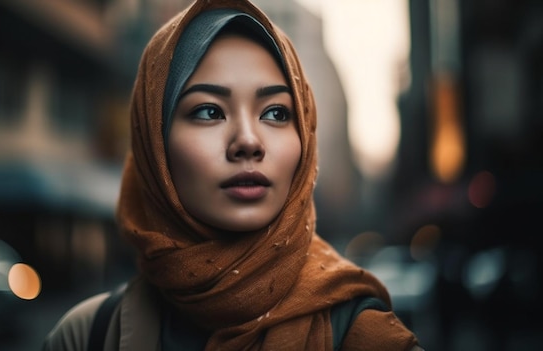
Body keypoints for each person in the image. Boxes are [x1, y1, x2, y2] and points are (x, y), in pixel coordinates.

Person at [42, 0, 424, 350]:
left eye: (275, 113)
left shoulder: (367, 336)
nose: (247, 141)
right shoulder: (85, 336)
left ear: (305, 137)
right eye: (209, 111)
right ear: (154, 143)